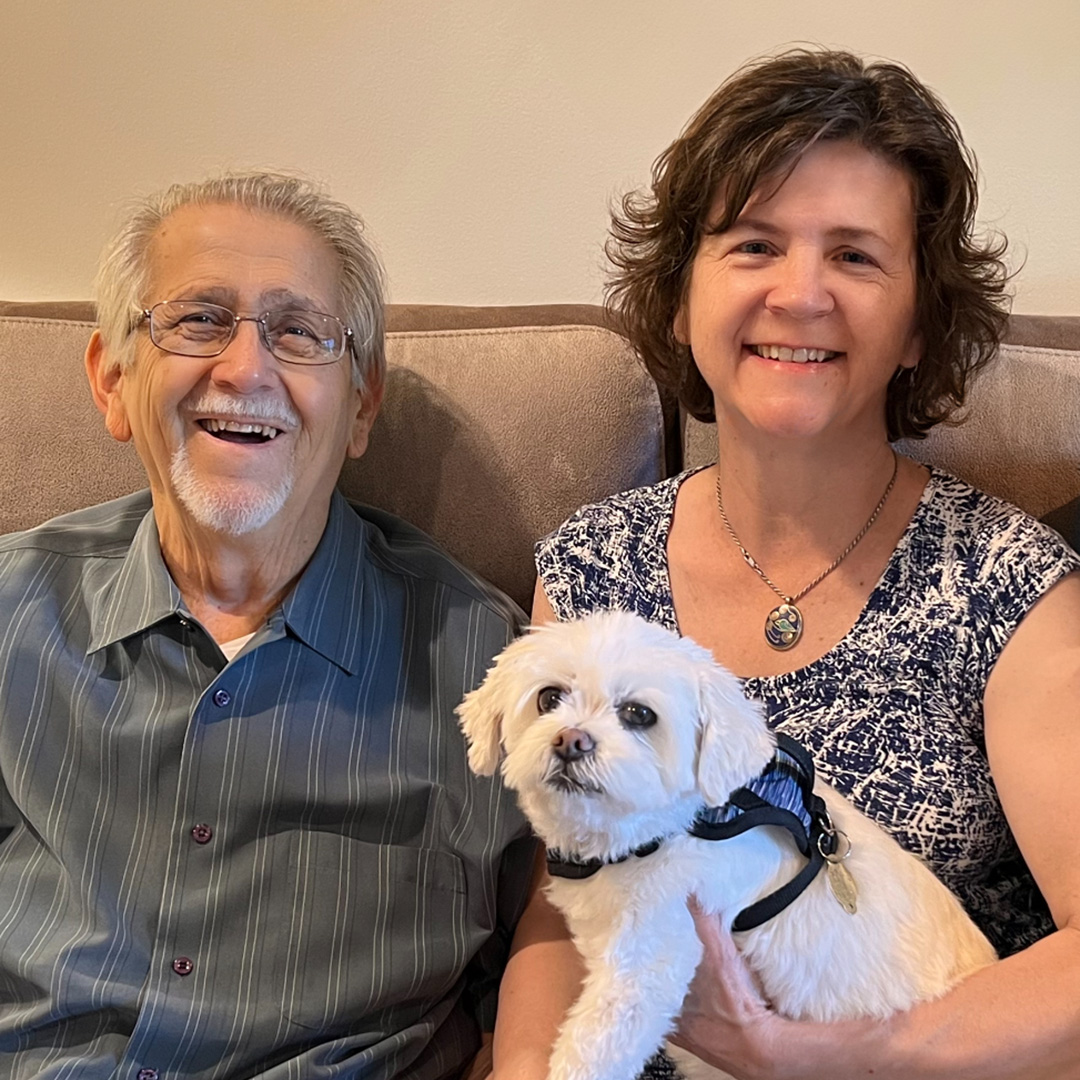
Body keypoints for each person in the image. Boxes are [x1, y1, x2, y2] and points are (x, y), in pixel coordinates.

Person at [525, 50, 1080, 1078]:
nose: (801, 292)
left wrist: (823, 1056)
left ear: (918, 324)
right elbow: (560, 911)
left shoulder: (1008, 583)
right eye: (754, 244)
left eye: (857, 257)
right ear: (683, 295)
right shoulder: (591, 567)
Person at [0, 172, 541, 1079]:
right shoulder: (14, 609)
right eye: (199, 319)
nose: (246, 370)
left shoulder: (487, 666)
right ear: (112, 378)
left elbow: (555, 972)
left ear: (362, 400)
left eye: (297, 332)